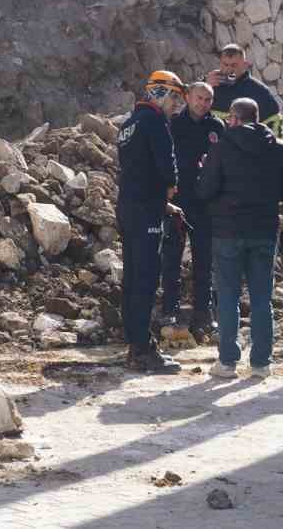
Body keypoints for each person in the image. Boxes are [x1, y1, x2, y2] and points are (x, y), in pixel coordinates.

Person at [196, 97, 283, 380]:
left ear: (235, 119)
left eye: (229, 118)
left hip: (227, 231)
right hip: (264, 231)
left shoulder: (221, 148)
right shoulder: (279, 148)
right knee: (262, 297)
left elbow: (204, 191)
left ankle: (227, 362)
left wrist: (206, 171)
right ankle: (261, 363)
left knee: (227, 296)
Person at [118, 69, 188, 373]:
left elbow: (137, 170)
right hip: (146, 211)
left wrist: (163, 203)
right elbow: (166, 166)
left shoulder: (129, 123)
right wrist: (170, 189)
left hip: (129, 207)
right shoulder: (154, 121)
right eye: (175, 99)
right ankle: (143, 351)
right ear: (162, 93)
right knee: (146, 280)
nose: (176, 107)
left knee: (132, 277)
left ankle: (135, 343)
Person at [161, 82, 223, 339]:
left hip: (206, 204)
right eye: (199, 98)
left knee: (204, 260)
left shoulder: (217, 128)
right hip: (178, 201)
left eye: (208, 99)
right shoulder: (173, 124)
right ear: (188, 97)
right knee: (172, 257)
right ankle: (170, 312)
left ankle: (203, 316)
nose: (203, 103)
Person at [208, 44, 283, 136]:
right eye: (225, 64)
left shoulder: (258, 91)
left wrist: (270, 148)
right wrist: (206, 86)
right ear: (220, 64)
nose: (228, 69)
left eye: (234, 65)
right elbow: (193, 112)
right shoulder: (210, 85)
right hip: (214, 146)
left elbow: (274, 121)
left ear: (245, 65)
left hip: (245, 147)